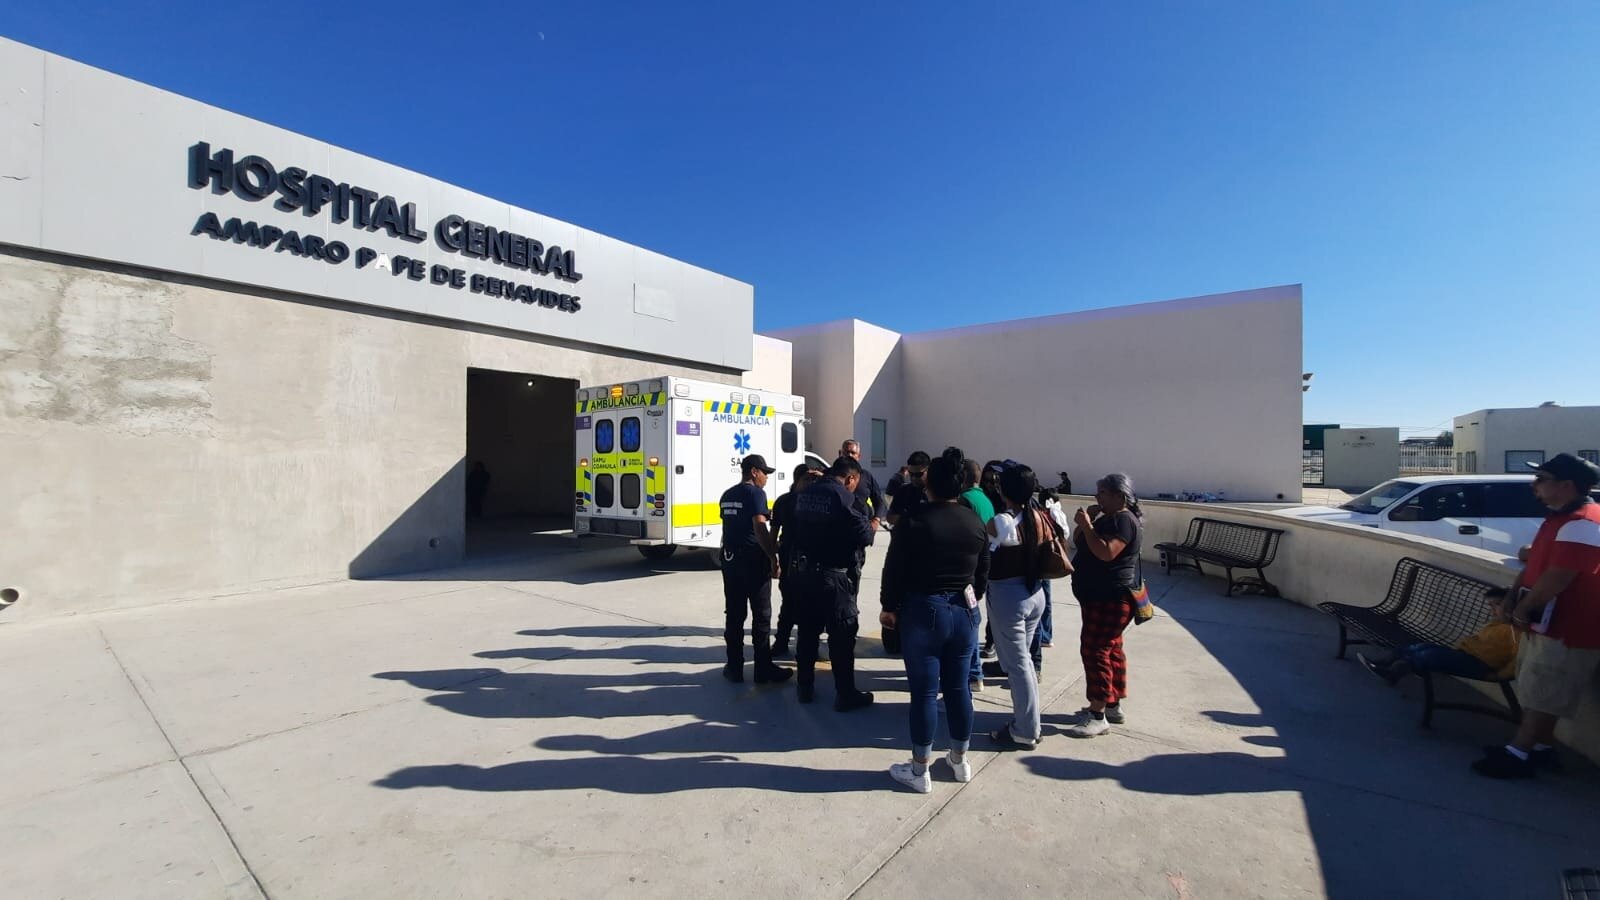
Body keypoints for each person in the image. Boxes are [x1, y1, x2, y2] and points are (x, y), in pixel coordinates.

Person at [1473, 453, 1600, 779]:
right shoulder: (1559, 520)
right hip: (1546, 623)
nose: (1534, 486)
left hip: (1570, 629)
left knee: (1546, 691)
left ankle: (1518, 753)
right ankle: (1541, 748)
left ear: (1567, 485)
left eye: (1541, 479)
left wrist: (1522, 609)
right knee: (1539, 687)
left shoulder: (1584, 523)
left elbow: (1559, 576)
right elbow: (1534, 564)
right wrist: (1513, 597)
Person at [880, 447, 991, 792]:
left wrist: (889, 606)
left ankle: (919, 769)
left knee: (925, 693)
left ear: (929, 484)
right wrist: (973, 595)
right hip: (964, 611)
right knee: (959, 689)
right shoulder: (974, 521)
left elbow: (894, 568)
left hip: (924, 610)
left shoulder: (914, 521)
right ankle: (959, 760)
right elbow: (984, 569)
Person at [789, 455, 876, 711]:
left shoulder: (805, 493)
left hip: (805, 573)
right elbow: (865, 535)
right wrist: (871, 524)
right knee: (842, 636)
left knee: (807, 632)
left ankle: (804, 687)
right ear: (850, 478)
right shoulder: (843, 496)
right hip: (834, 576)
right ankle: (845, 694)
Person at [1064, 473, 1145, 738]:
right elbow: (1080, 542)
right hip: (1098, 596)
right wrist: (1086, 522)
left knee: (1095, 650)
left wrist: (1088, 526)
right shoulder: (1108, 518)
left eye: (1102, 493)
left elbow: (1106, 552)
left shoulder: (1123, 520)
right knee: (1111, 649)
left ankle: (1097, 714)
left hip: (1110, 597)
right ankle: (1111, 704)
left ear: (1119, 496)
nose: (1097, 497)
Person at [982, 463, 1052, 750]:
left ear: (1003, 489)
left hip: (1008, 597)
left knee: (1018, 665)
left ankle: (1025, 728)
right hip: (1035, 593)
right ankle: (1029, 721)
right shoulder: (1041, 516)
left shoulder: (1000, 521)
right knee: (1023, 662)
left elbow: (983, 551)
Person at [717, 454, 791, 684]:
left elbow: (729, 528)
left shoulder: (727, 495)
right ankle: (763, 669)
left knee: (734, 616)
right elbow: (759, 527)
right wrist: (772, 557)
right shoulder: (756, 494)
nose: (766, 478)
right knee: (761, 616)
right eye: (764, 473)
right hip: (752, 563)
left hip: (730, 562)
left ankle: (734, 667)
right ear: (753, 472)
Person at [1359, 588, 1517, 684]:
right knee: (1419, 647)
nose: (1493, 611)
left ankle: (1393, 674)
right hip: (1465, 654)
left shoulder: (1516, 631)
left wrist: (1499, 676)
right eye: (1491, 606)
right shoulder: (1497, 623)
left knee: (1428, 655)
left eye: (1497, 605)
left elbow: (1518, 660)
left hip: (1481, 665)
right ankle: (1383, 662)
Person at [770, 464, 822, 658]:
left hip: (805, 558)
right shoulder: (787, 501)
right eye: (808, 479)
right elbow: (773, 533)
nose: (811, 483)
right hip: (792, 558)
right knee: (793, 603)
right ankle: (785, 643)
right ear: (798, 479)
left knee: (802, 604)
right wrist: (772, 559)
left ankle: (797, 646)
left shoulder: (812, 500)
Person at [961, 458, 998, 688]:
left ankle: (974, 674)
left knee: (968, 622)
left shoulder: (965, 500)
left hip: (969, 571)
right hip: (982, 567)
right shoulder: (985, 499)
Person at [887, 450, 932, 527]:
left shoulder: (935, 492)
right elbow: (891, 517)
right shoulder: (904, 490)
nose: (913, 478)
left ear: (928, 470)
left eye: (918, 474)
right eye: (911, 474)